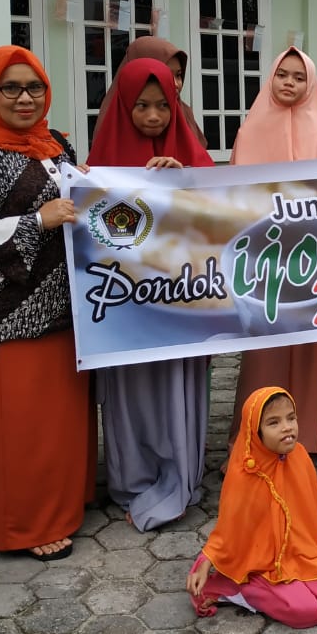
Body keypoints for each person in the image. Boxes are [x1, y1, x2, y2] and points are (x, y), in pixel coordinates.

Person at [0, 46, 96, 560]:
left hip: (67, 306)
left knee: (61, 418)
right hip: (11, 313)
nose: (24, 98)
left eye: (34, 87)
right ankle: (27, 525)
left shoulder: (57, 146)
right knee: (24, 423)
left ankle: (65, 504)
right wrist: (35, 222)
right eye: (10, 88)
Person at [87, 56, 214, 530]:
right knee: (132, 390)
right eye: (141, 106)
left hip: (180, 304)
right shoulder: (102, 158)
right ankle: (132, 477)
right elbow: (92, 226)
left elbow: (219, 213)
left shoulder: (191, 154)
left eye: (164, 105)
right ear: (123, 105)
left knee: (176, 384)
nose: (154, 116)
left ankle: (180, 471)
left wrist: (180, 182)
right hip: (128, 309)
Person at [228, 47, 317, 460]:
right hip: (265, 260)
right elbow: (236, 196)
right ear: (271, 77)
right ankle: (254, 438)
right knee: (265, 351)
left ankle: (305, 437)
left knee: (309, 349)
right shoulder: (250, 131)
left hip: (309, 258)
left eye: (299, 76)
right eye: (283, 74)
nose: (290, 82)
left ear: (311, 83)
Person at [186, 386, 317, 628]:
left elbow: (314, 513)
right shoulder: (245, 472)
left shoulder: (300, 456)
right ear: (256, 432)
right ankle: (238, 588)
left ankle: (289, 587)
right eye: (274, 423)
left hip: (300, 550)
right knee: (304, 610)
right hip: (260, 564)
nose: (287, 427)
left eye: (291, 418)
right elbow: (228, 530)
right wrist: (205, 565)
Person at [94, 37, 205, 147]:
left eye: (178, 75)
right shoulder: (112, 124)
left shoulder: (184, 114)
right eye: (166, 75)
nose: (176, 84)